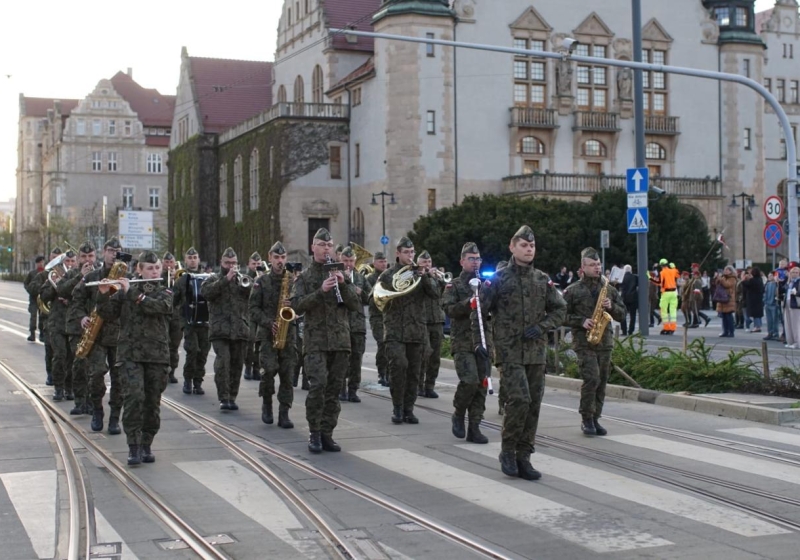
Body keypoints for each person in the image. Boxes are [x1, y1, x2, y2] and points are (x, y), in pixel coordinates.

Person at [480, 225, 566, 480]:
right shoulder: (498, 279)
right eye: (524, 245)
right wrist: (481, 343)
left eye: (532, 246)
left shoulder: (542, 279)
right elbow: (479, 312)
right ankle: (508, 451)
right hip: (509, 352)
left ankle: (524, 457)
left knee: (533, 406)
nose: (529, 250)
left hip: (535, 353)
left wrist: (542, 327)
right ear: (512, 247)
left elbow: (560, 310)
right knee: (519, 400)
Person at [96, 251, 172, 466]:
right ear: (139, 269)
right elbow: (108, 314)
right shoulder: (125, 290)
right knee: (134, 398)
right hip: (130, 354)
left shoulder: (164, 290)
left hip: (157, 355)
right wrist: (103, 293)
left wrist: (133, 293)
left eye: (157, 267)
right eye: (149, 268)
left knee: (152, 402)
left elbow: (160, 308)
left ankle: (147, 443)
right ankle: (134, 446)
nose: (154, 271)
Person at [291, 228, 359, 453]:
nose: (326, 249)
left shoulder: (342, 273)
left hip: (340, 341)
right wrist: (320, 291)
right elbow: (297, 306)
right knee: (318, 386)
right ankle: (314, 432)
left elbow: (355, 305)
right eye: (322, 245)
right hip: (316, 341)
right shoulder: (305, 277)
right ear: (313, 247)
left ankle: (327, 432)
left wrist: (343, 284)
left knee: (333, 389)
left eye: (329, 245)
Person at [563, 248, 627, 436]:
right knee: (592, 378)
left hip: (604, 341)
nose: (597, 268)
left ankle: (596, 417)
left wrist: (611, 306)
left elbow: (622, 315)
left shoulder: (609, 289)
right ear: (583, 267)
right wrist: (580, 321)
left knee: (602, 381)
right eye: (592, 265)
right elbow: (559, 315)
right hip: (584, 342)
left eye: (598, 264)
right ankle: (586, 418)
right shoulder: (573, 290)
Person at [378, 237, 441, 425]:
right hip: (395, 330)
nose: (410, 256)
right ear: (398, 253)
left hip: (417, 330)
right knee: (399, 366)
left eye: (412, 252)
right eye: (406, 252)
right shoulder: (388, 275)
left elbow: (435, 295)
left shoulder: (420, 274)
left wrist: (426, 276)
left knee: (414, 372)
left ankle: (408, 409)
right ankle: (397, 407)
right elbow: (376, 297)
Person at [72, 238, 126, 434]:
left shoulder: (126, 278)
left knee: (119, 379)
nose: (114, 254)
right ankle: (97, 411)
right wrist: (81, 317)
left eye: (117, 251)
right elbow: (76, 299)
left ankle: (114, 419)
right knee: (95, 376)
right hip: (97, 335)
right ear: (104, 252)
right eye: (111, 250)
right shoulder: (92, 276)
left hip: (119, 336)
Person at [443, 242, 489, 444]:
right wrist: (467, 304)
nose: (476, 262)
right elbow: (448, 308)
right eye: (471, 258)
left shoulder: (486, 284)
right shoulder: (455, 285)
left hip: (483, 341)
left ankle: (475, 427)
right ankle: (459, 412)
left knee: (481, 385)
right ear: (462, 261)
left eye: (478, 258)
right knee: (469, 381)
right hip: (462, 341)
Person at [249, 241, 297, 428]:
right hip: (268, 334)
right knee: (268, 371)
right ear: (269, 258)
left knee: (287, 374)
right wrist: (269, 323)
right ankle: (267, 404)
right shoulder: (261, 282)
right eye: (276, 257)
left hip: (289, 334)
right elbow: (252, 309)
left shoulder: (292, 281)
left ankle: (284, 413)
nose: (280, 261)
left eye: (283, 258)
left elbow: (301, 306)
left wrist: (293, 305)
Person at [201, 247, 252, 411]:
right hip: (220, 330)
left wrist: (245, 286)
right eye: (227, 263)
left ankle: (232, 396)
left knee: (237, 365)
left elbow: (252, 297)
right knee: (223, 363)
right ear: (221, 263)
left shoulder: (243, 279)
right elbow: (206, 293)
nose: (231, 266)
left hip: (239, 329)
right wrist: (225, 280)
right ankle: (224, 397)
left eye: (234, 263)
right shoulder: (212, 279)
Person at [64, 242, 98, 414]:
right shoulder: (71, 274)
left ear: (95, 256)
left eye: (90, 256)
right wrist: (81, 277)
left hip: (98, 326)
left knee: (94, 368)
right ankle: (79, 401)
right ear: (78, 259)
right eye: (84, 257)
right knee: (78, 365)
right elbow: (62, 290)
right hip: (77, 326)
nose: (87, 260)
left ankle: (92, 401)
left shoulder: (101, 274)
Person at [39, 250, 77, 401]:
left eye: (72, 261)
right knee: (59, 356)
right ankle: (59, 388)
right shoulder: (53, 277)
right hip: (56, 323)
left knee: (72, 358)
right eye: (67, 261)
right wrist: (54, 287)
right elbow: (44, 296)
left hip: (73, 323)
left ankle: (70, 388)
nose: (69, 264)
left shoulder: (79, 277)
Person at [172, 247, 211, 395]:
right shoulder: (182, 279)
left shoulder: (208, 277)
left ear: (199, 259)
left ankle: (198, 381)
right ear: (185, 260)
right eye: (190, 258)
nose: (193, 260)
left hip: (205, 321)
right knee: (192, 350)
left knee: (203, 353)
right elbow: (173, 302)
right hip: (189, 322)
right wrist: (180, 319)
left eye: (195, 257)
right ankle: (188, 379)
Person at [339, 245, 370, 403]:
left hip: (357, 325)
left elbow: (371, 298)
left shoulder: (360, 278)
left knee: (356, 359)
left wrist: (361, 292)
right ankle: (341, 389)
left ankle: (353, 390)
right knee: (342, 359)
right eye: (345, 260)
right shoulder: (335, 277)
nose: (348, 264)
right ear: (340, 260)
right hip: (341, 323)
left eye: (351, 260)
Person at [417, 250, 446, 399]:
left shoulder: (435, 277)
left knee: (435, 356)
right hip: (423, 320)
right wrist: (426, 276)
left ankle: (430, 386)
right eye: (424, 263)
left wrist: (440, 279)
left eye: (429, 262)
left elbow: (440, 294)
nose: (427, 265)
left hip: (437, 320)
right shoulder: (418, 277)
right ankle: (419, 385)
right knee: (424, 355)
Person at [35, 247, 63, 385]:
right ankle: (50, 374)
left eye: (59, 258)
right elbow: (33, 288)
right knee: (49, 348)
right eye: (53, 258)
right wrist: (49, 285)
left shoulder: (67, 274)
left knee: (62, 351)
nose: (56, 261)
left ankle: (63, 378)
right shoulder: (42, 275)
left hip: (62, 318)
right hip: (48, 318)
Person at [366, 252, 389, 386]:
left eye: (385, 261)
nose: (383, 264)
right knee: (382, 343)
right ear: (374, 263)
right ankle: (382, 372)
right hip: (376, 316)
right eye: (380, 261)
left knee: (390, 345)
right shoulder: (370, 279)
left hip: (389, 315)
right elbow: (369, 298)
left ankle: (389, 373)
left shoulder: (390, 276)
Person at [161, 252, 182, 384]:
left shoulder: (180, 276)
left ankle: (172, 371)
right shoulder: (158, 276)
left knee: (174, 346)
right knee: (163, 345)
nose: (169, 265)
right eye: (166, 262)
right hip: (163, 315)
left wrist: (178, 280)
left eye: (171, 262)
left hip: (176, 316)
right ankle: (163, 371)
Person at [244, 251, 263, 381]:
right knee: (250, 342)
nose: (256, 266)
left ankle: (257, 368)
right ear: (248, 264)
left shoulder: (265, 277)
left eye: (258, 263)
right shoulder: (245, 277)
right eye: (253, 263)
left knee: (260, 343)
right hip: (249, 314)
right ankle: (248, 367)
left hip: (261, 314)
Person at [24, 255, 46, 342]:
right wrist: (30, 290)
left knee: (42, 317)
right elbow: (26, 283)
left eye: (42, 262)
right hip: (33, 299)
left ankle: (42, 334)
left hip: (43, 299)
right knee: (33, 316)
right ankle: (32, 334)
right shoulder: (32, 273)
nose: (41, 264)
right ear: (36, 263)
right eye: (39, 262)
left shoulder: (46, 272)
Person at [715, 265, 738, 337]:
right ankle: (725, 331)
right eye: (725, 270)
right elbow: (717, 284)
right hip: (722, 299)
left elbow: (727, 285)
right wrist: (718, 278)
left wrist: (722, 279)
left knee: (729, 316)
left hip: (729, 299)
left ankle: (731, 331)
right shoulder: (723, 277)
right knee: (724, 317)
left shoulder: (732, 278)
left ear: (731, 271)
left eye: (727, 270)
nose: (726, 271)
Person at [741, 267, 765, 333]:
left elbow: (746, 285)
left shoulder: (753, 280)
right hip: (759, 298)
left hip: (753, 299)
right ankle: (758, 325)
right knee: (758, 313)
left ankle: (757, 326)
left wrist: (743, 280)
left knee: (755, 314)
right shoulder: (760, 279)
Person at [618, 264, 638, 335]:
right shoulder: (635, 277)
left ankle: (624, 331)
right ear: (631, 270)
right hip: (633, 298)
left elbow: (618, 286)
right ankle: (631, 331)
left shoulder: (622, 277)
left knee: (623, 315)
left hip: (624, 298)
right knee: (633, 315)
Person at [784, 267, 800, 348]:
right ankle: (790, 341)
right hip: (787, 302)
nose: (794, 274)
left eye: (796, 272)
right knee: (788, 323)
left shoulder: (798, 281)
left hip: (795, 303)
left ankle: (797, 342)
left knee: (795, 324)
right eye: (793, 272)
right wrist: (787, 280)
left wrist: (796, 292)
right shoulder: (790, 281)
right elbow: (783, 289)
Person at [764, 271, 780, 341]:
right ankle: (770, 333)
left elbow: (777, 293)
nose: (769, 277)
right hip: (767, 304)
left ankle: (775, 333)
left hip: (774, 304)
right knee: (769, 320)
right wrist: (764, 301)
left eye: (771, 276)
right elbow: (765, 293)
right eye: (769, 276)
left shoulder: (776, 284)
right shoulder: (767, 284)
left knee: (775, 320)